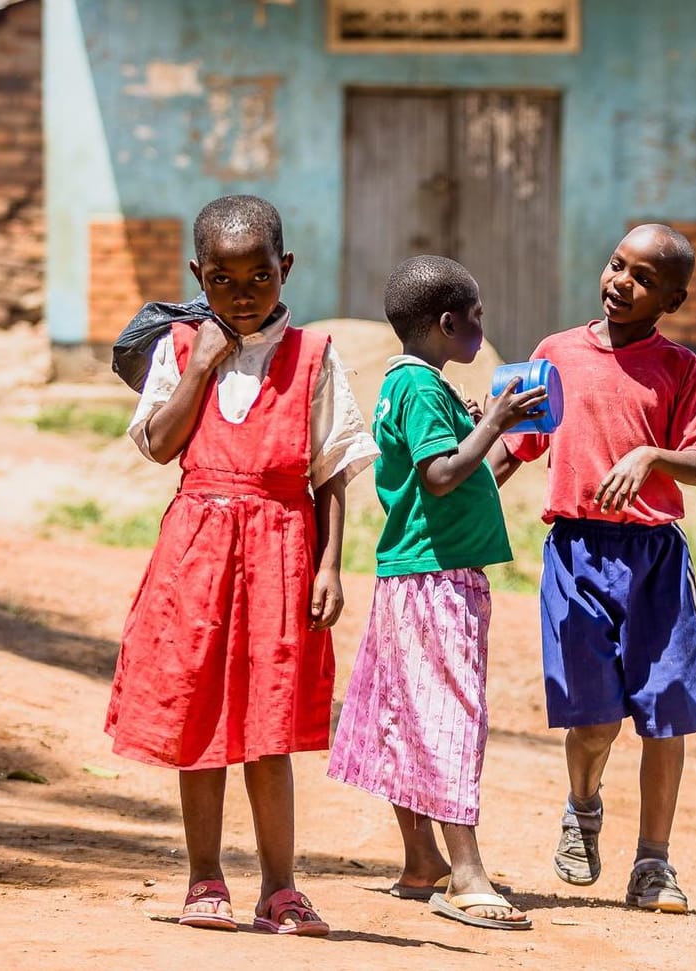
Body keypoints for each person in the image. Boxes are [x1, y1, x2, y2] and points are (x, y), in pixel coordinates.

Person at [105, 195, 377, 937]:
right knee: (199, 715)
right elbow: (160, 444)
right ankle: (203, 877)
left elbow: (331, 472)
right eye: (223, 280)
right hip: (196, 556)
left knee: (269, 725)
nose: (244, 294)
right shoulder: (181, 348)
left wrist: (330, 566)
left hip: (283, 554)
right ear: (199, 276)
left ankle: (281, 888)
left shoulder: (314, 357)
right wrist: (203, 365)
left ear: (285, 269)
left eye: (260, 276)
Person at [491, 224, 696, 914]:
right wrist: (468, 493)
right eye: (618, 265)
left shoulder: (681, 369)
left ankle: (653, 862)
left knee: (667, 716)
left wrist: (653, 456)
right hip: (576, 552)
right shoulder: (554, 353)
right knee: (594, 719)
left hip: (654, 559)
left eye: (645, 278)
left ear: (674, 299)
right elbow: (515, 448)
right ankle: (583, 805)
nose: (621, 281)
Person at [326, 256, 545, 932]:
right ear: (448, 324)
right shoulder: (421, 388)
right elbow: (444, 474)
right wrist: (494, 420)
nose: (481, 327)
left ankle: (421, 861)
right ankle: (467, 872)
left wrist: (501, 433)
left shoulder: (410, 384)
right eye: (475, 317)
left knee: (407, 714)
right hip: (436, 581)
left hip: (415, 571)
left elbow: (453, 486)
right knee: (449, 715)